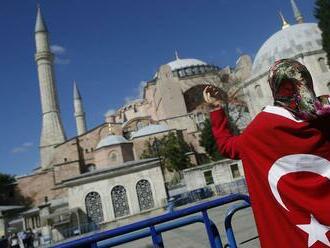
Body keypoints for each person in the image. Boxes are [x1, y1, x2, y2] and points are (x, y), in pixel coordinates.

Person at [203, 59, 330, 248]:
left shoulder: (263, 128)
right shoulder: (325, 117)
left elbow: (228, 146)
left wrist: (216, 109)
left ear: (275, 87)